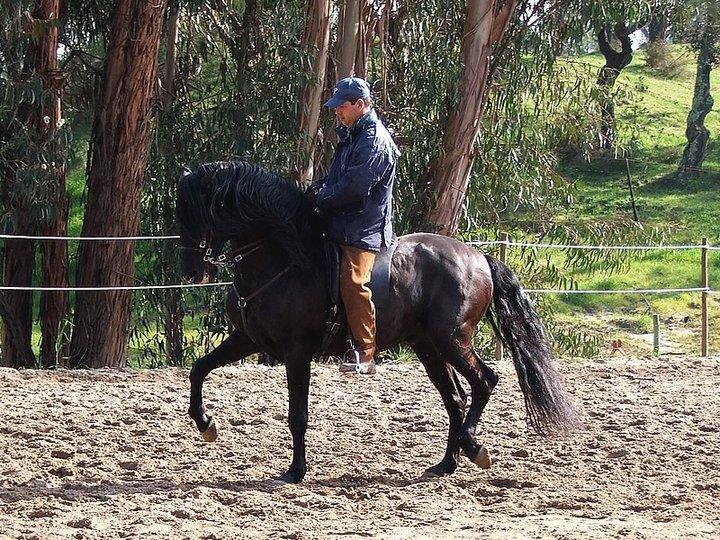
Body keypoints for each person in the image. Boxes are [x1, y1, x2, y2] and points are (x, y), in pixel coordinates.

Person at [314, 77, 400, 375]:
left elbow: (354, 187)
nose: (336, 111)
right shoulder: (352, 135)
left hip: (363, 228)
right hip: (341, 221)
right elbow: (336, 178)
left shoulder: (374, 140)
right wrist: (315, 190)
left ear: (359, 105)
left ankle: (365, 351)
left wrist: (322, 198)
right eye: (335, 106)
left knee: (353, 282)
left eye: (341, 106)